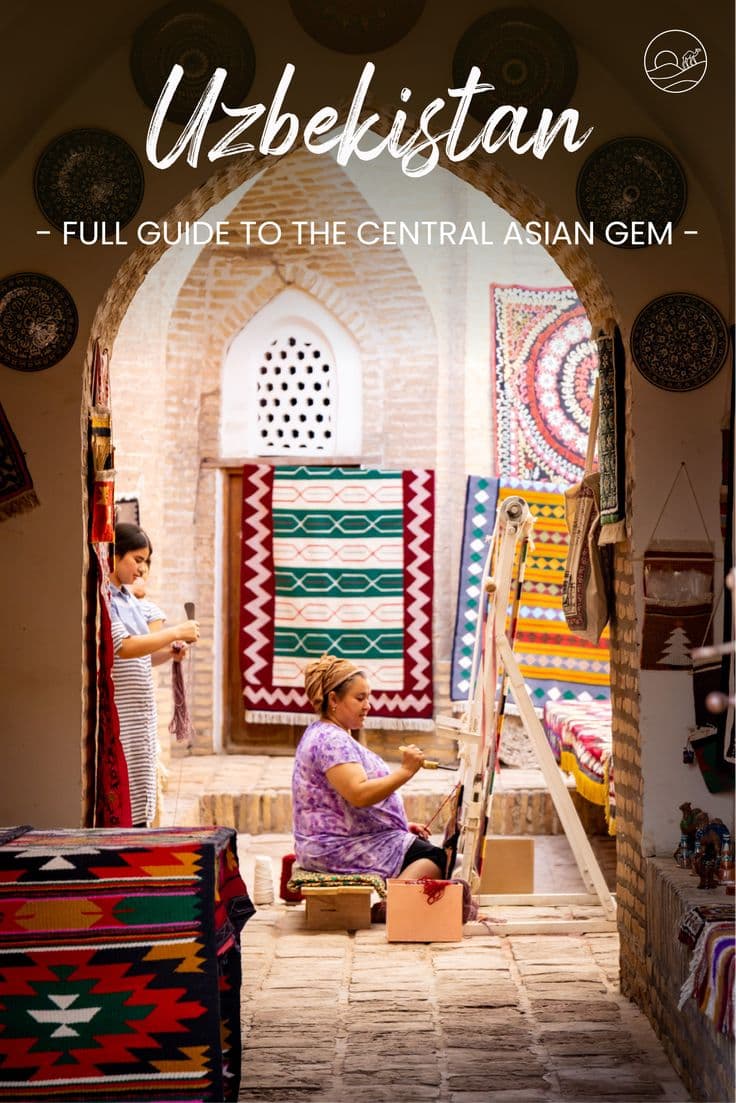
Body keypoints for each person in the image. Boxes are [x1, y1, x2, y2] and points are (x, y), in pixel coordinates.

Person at [292, 653, 447, 882]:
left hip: (335, 842)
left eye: (368, 698)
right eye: (360, 698)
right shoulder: (331, 740)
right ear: (333, 700)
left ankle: (396, 898)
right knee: (435, 857)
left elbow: (342, 802)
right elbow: (359, 794)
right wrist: (405, 772)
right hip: (333, 849)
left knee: (422, 849)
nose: (368, 706)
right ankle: (392, 905)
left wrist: (399, 827)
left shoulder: (328, 733)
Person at [110, 522, 199, 828]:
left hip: (139, 716)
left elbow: (143, 654)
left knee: (141, 796)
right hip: (120, 712)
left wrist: (169, 651)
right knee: (123, 793)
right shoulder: (106, 600)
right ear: (114, 555)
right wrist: (174, 631)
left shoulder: (128, 602)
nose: (142, 569)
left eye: (145, 561)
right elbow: (124, 646)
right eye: (137, 559)